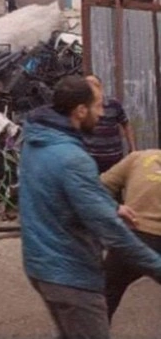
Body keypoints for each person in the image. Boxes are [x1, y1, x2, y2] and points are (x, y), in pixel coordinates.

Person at [19, 75, 161, 339]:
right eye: (97, 106)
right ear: (80, 110)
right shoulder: (73, 158)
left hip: (38, 265)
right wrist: (156, 266)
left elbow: (64, 190)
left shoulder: (37, 138)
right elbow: (113, 233)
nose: (102, 112)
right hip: (70, 277)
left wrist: (110, 204)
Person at [100, 149, 161, 321]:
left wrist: (115, 207)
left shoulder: (139, 157)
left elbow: (98, 188)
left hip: (131, 237)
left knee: (104, 296)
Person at [83, 75, 136, 173]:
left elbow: (126, 125)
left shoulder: (114, 105)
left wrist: (132, 148)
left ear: (101, 87)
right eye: (88, 85)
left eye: (94, 84)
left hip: (114, 157)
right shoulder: (82, 108)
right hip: (91, 158)